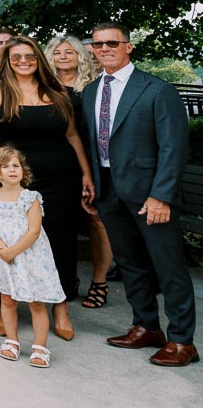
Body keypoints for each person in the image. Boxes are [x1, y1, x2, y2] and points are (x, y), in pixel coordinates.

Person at [83, 24, 196, 367]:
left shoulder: (156, 90)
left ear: (128, 47)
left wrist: (161, 195)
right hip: (108, 188)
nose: (104, 48)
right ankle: (146, 326)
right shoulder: (91, 91)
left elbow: (174, 147)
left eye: (112, 43)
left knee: (168, 266)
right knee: (130, 263)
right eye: (98, 44)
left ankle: (181, 340)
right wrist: (91, 184)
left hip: (149, 193)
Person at [0, 35, 94, 341]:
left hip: (60, 177)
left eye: (29, 56)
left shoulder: (56, 90)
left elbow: (72, 136)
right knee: (10, 241)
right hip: (14, 179)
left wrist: (85, 174)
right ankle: (9, 306)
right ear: (7, 60)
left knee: (60, 241)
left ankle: (60, 305)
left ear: (38, 58)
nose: (23, 62)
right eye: (16, 57)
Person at [46, 33, 114, 310]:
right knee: (58, 223)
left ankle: (100, 282)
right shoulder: (44, 86)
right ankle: (65, 278)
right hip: (57, 160)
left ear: (80, 56)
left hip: (92, 159)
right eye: (58, 53)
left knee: (97, 221)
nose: (63, 57)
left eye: (69, 52)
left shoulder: (95, 87)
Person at [0, 146, 66, 368]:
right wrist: (2, 248)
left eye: (16, 165)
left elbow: (34, 231)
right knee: (7, 299)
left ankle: (40, 346)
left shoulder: (30, 198)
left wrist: (13, 250)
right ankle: (12, 340)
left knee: (35, 301)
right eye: (5, 166)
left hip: (28, 255)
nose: (12, 170)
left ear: (23, 170)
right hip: (3, 255)